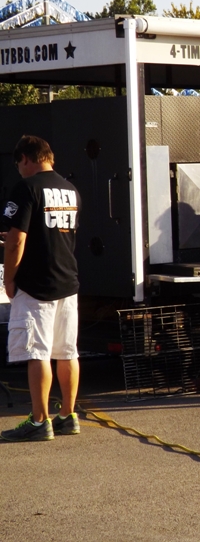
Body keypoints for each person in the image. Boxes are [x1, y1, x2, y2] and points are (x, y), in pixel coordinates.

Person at [1, 135, 81, 442]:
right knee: (68, 352)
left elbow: (16, 241)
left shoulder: (26, 188)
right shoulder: (70, 189)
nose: (19, 169)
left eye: (18, 164)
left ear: (26, 159)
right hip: (67, 281)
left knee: (38, 353)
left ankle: (39, 420)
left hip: (36, 285)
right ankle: (68, 416)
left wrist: (9, 279)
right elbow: (53, 233)